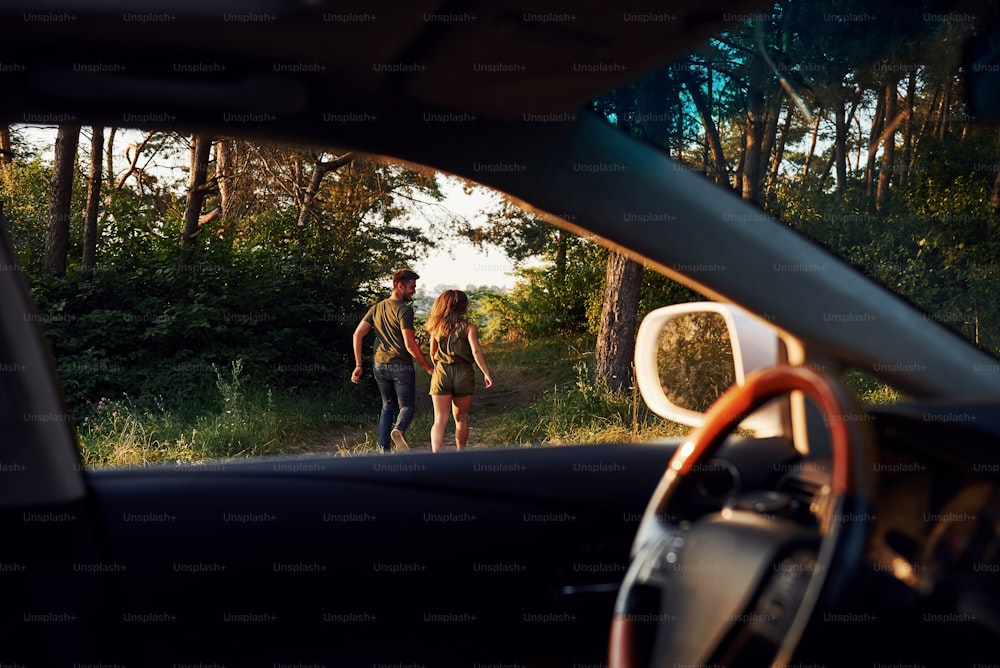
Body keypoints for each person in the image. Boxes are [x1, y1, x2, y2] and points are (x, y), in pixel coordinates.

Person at [351, 269, 433, 454]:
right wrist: (428, 368)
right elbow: (410, 344)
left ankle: (383, 449)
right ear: (399, 285)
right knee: (407, 406)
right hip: (401, 365)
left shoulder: (376, 308)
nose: (414, 291)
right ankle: (399, 430)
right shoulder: (404, 310)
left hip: (379, 365)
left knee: (387, 405)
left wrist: (358, 365)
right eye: (412, 287)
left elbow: (357, 334)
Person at [424, 290, 493, 452]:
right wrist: (486, 373)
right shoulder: (469, 328)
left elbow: (433, 353)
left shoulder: (435, 326)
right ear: (463, 306)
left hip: (441, 372)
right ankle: (460, 454)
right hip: (463, 373)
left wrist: (438, 367)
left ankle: (436, 455)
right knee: (461, 418)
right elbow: (476, 351)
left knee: (439, 419)